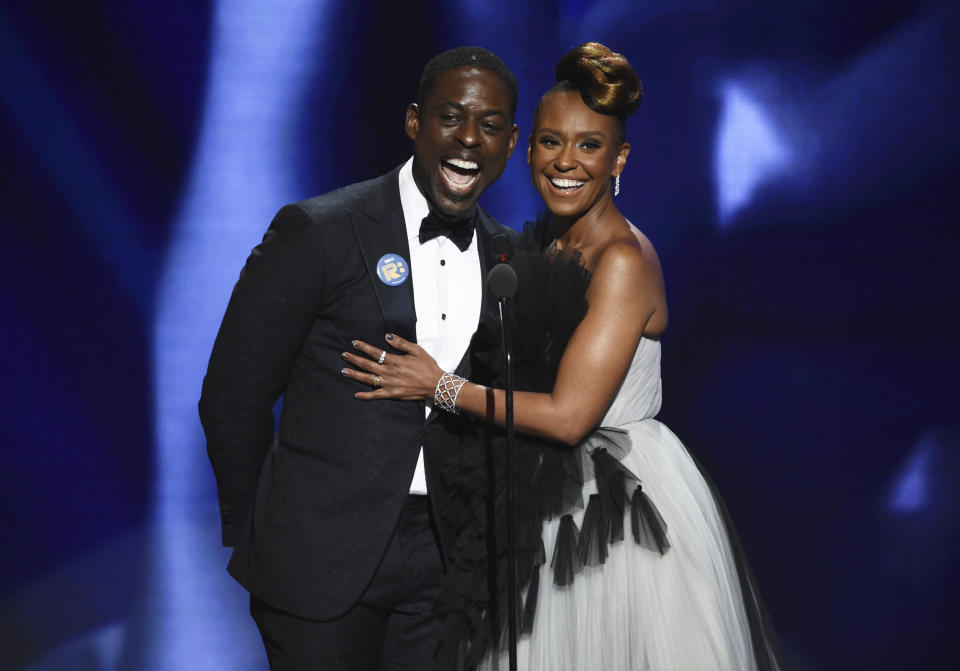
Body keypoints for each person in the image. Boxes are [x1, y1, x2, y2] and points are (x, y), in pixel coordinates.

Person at [342, 42, 783, 670]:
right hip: (532, 502)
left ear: (619, 158)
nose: (566, 163)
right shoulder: (546, 243)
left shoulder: (622, 260)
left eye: (589, 146)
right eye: (551, 142)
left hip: (609, 522)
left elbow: (571, 416)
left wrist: (437, 386)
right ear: (528, 150)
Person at [198, 47, 520, 670]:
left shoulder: (506, 258)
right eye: (452, 117)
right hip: (317, 557)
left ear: (510, 144)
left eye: (490, 125)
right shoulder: (319, 230)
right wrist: (260, 529)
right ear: (413, 122)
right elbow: (232, 397)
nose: (469, 139)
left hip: (447, 569)